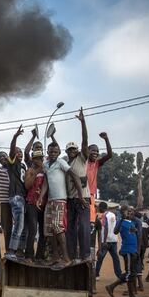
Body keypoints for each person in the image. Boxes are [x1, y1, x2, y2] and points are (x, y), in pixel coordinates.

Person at [40, 142, 86, 266]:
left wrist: (80, 196)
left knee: (58, 227)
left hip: (60, 199)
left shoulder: (61, 163)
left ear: (59, 153)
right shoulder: (46, 165)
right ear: (48, 152)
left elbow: (75, 177)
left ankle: (66, 258)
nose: (53, 154)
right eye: (51, 152)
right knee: (50, 229)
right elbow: (46, 182)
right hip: (50, 200)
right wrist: (41, 197)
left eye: (55, 152)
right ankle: (55, 256)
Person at [65, 108, 92, 261]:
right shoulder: (66, 164)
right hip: (71, 199)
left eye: (74, 149)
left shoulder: (82, 159)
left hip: (83, 198)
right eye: (70, 149)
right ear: (67, 151)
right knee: (70, 229)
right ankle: (72, 256)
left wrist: (83, 122)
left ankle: (85, 255)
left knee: (83, 227)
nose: (72, 151)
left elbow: (85, 141)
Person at [105, 206, 139, 297]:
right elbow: (115, 232)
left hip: (133, 250)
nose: (130, 213)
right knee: (129, 273)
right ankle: (129, 295)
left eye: (131, 211)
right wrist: (121, 220)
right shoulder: (121, 222)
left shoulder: (132, 223)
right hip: (127, 250)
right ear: (123, 213)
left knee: (132, 273)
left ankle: (112, 287)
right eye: (128, 212)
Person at [5, 126, 28, 259]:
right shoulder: (12, 163)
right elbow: (12, 150)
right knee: (18, 225)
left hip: (23, 198)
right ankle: (11, 251)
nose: (19, 154)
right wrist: (15, 137)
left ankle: (20, 251)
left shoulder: (23, 166)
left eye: (21, 152)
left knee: (23, 226)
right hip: (16, 197)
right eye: (17, 152)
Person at [86, 132, 113, 228]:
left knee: (90, 219)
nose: (95, 153)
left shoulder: (97, 163)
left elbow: (110, 155)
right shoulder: (83, 161)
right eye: (93, 151)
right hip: (81, 193)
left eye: (97, 151)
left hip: (91, 194)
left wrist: (106, 139)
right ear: (87, 151)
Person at [24, 150, 46, 260]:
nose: (39, 160)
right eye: (36, 158)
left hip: (43, 204)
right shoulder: (30, 170)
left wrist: (44, 169)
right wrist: (37, 171)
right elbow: (27, 186)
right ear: (32, 159)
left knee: (43, 231)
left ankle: (40, 256)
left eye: (40, 158)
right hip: (32, 203)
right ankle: (29, 255)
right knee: (32, 230)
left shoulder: (47, 171)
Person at [95, 202, 122, 280]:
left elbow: (106, 227)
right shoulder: (113, 215)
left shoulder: (104, 216)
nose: (98, 209)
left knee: (100, 257)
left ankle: (96, 274)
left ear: (101, 208)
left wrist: (105, 241)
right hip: (114, 239)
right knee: (115, 258)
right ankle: (119, 275)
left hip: (106, 240)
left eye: (98, 207)